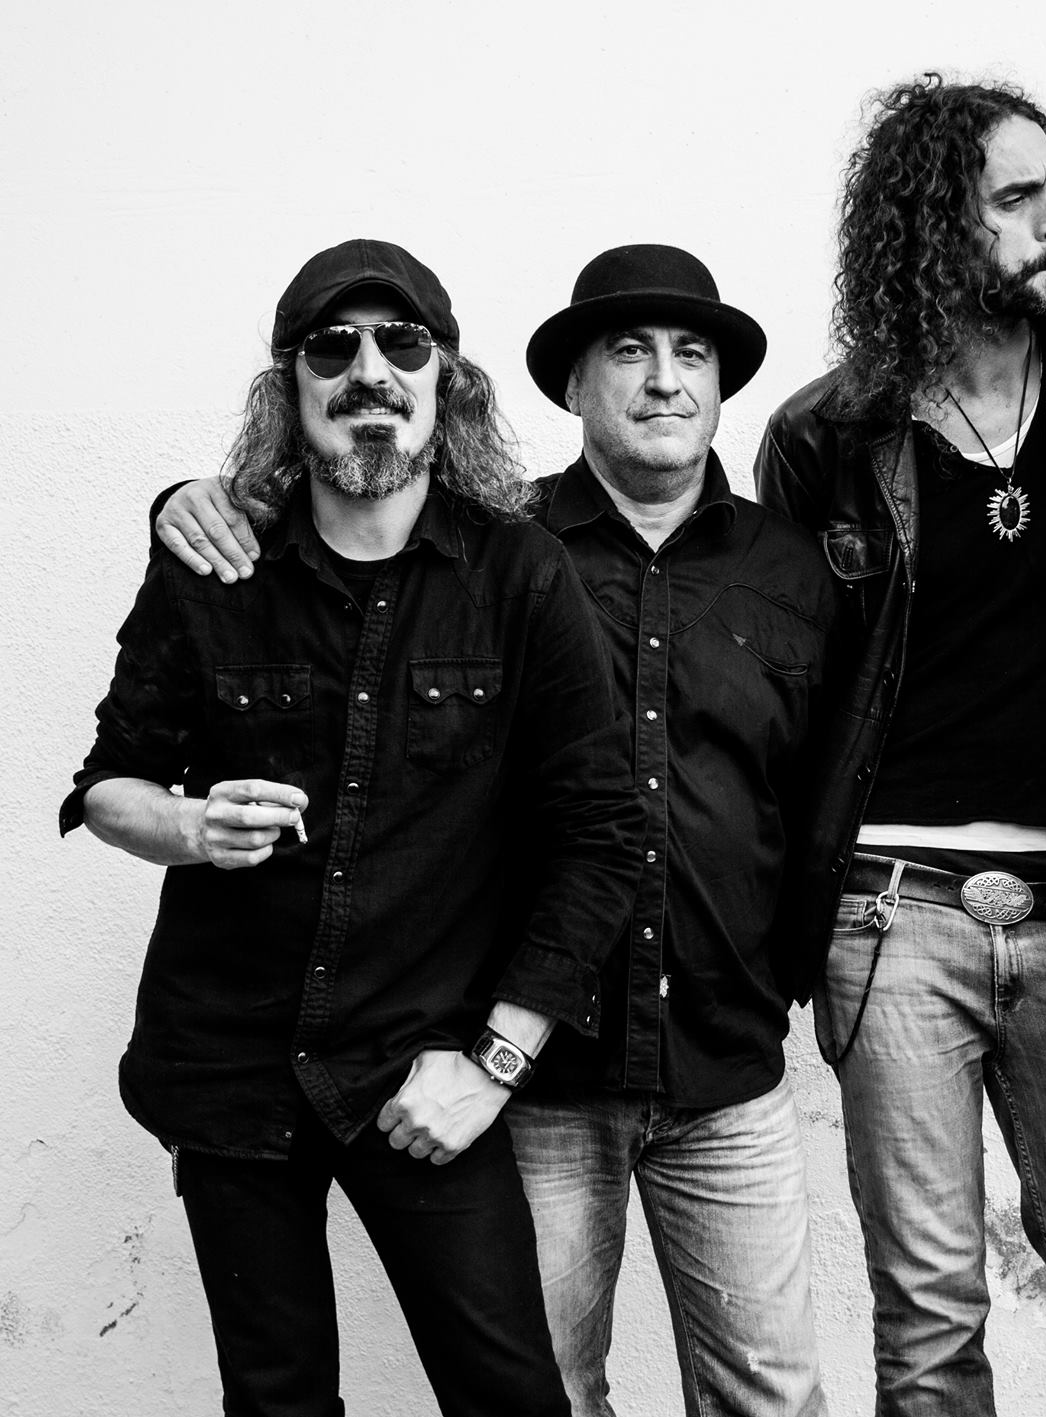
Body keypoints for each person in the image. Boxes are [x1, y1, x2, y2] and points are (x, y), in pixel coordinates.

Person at [154, 244, 837, 1415]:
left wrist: (791, 971)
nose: (664, 379)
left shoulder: (797, 568)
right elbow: (334, 514)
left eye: (692, 355)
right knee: (542, 1390)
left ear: (723, 387)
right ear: (570, 385)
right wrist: (181, 499)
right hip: (539, 1074)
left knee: (769, 1394)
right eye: (628, 351)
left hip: (726, 1063)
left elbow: (824, 787)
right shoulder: (490, 547)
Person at [63, 237, 639, 1416]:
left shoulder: (519, 573)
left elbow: (599, 834)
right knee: (276, 1400)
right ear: (288, 389)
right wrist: (186, 824)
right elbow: (107, 786)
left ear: (445, 382)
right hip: (228, 1068)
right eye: (333, 348)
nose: (369, 370)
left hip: (423, 1070)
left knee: (512, 1396)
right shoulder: (214, 563)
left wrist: (494, 1064)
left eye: (401, 345)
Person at [752, 74, 1046, 1415]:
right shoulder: (826, 436)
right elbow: (783, 681)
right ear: (933, 227)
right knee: (930, 1326)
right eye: (1018, 197)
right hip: (891, 912)